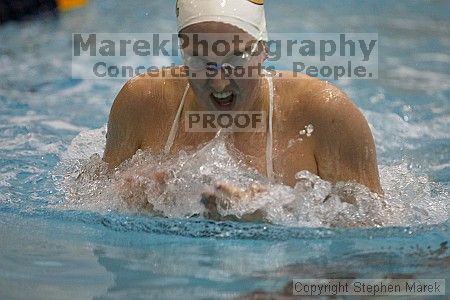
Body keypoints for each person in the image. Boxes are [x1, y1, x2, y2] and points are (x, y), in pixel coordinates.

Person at [103, 0, 383, 210]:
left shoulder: (325, 114)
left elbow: (374, 233)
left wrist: (275, 214)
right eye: (200, 62)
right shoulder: (141, 102)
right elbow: (88, 195)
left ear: (264, 51)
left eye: (237, 61)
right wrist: (130, 194)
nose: (220, 83)